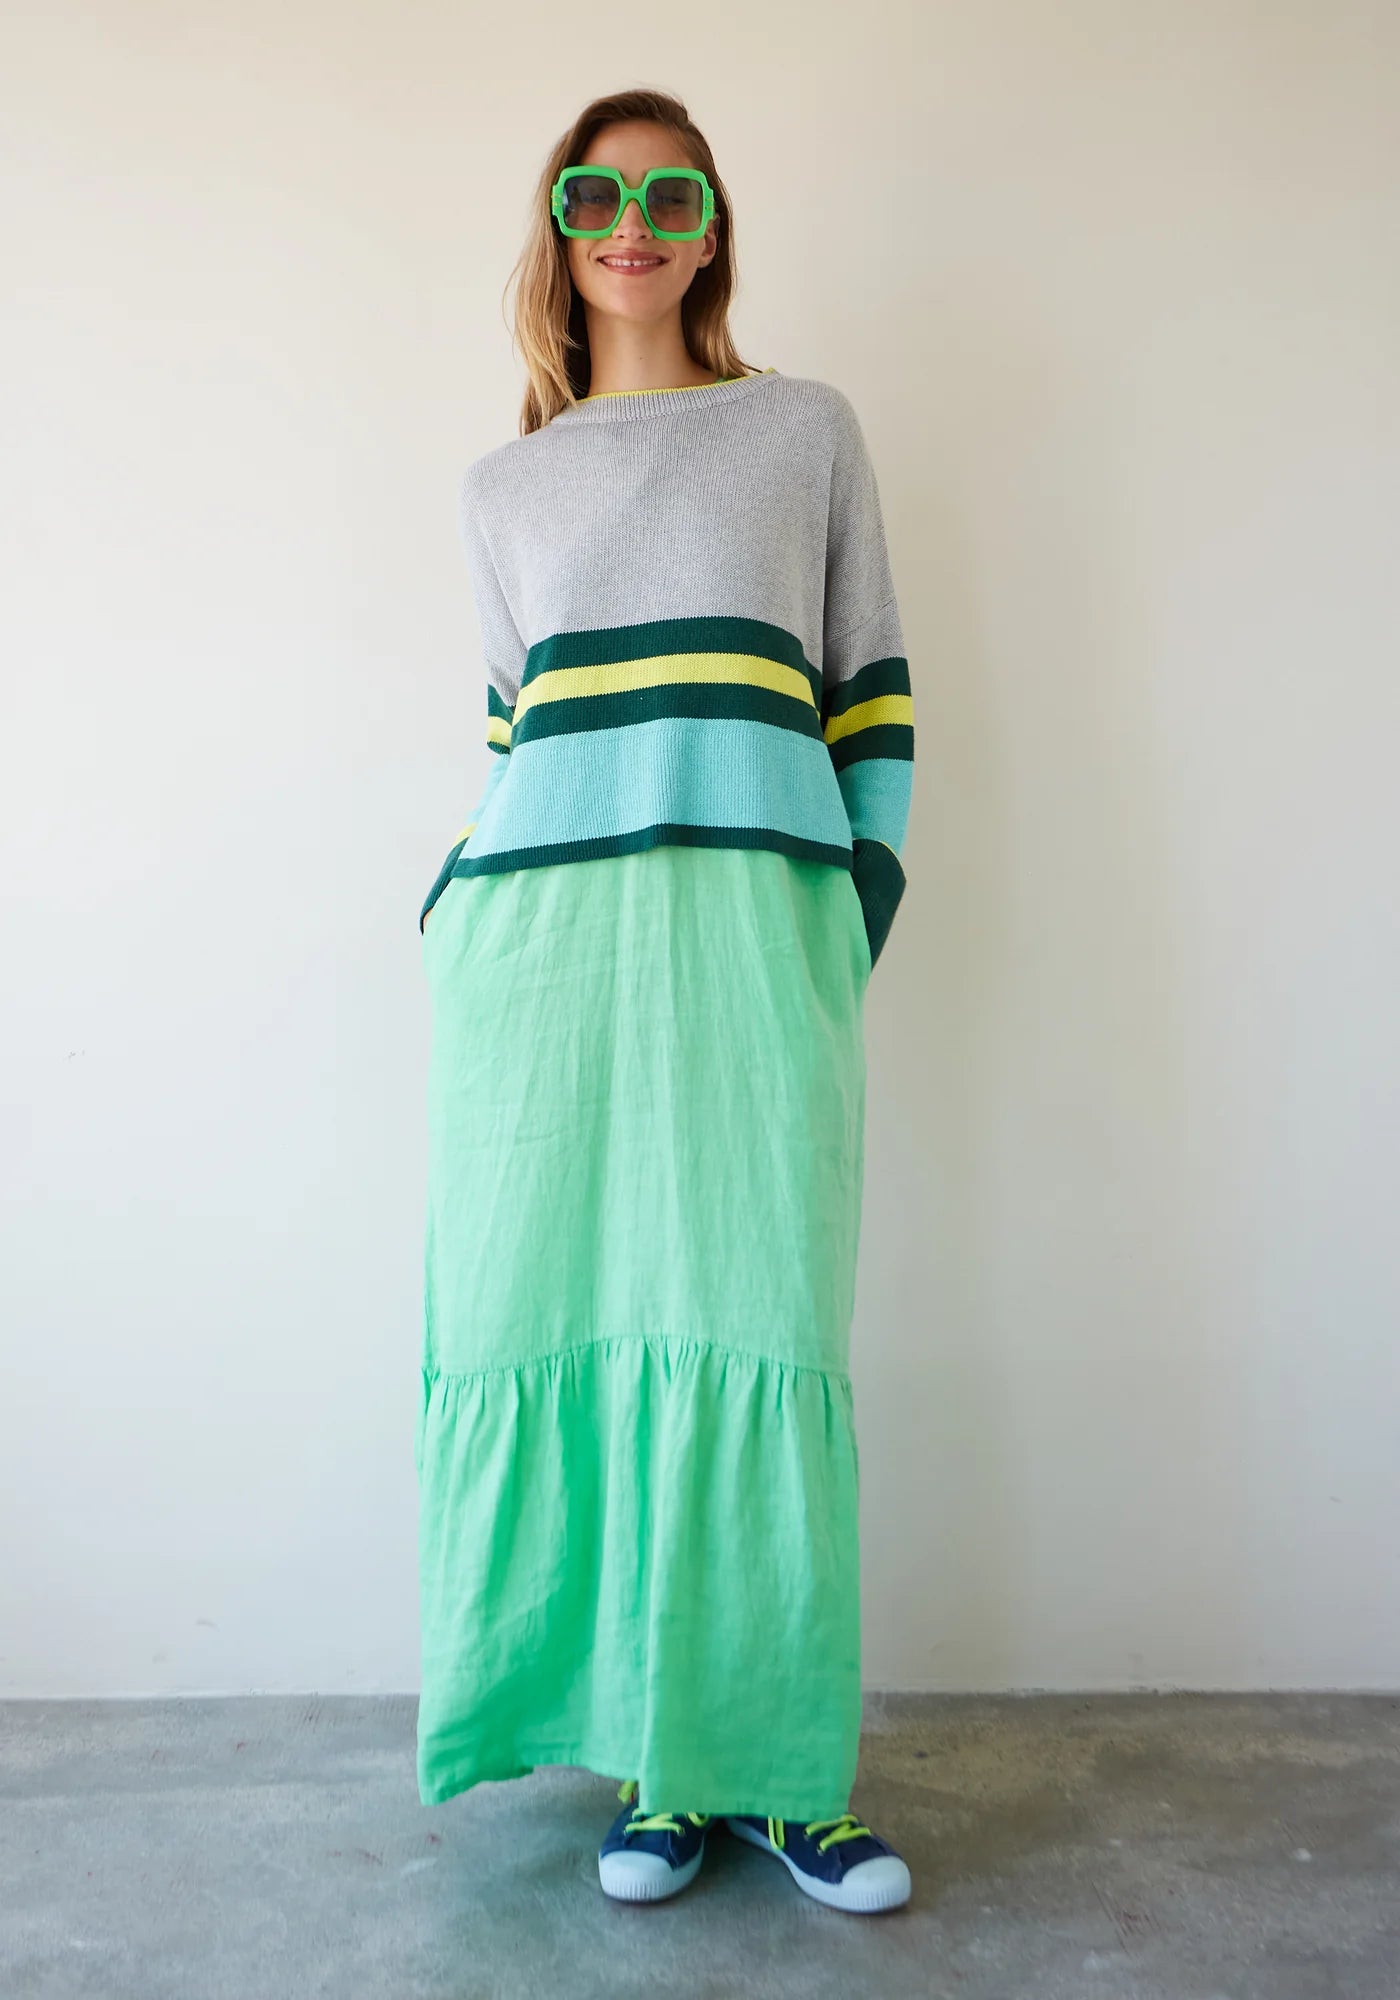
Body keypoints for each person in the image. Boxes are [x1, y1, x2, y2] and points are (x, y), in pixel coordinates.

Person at [415, 87, 915, 1917]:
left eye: (669, 194)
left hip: (754, 932)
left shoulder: (805, 431)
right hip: (545, 957)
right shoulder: (504, 488)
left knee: (758, 1315)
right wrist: (453, 910)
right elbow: (511, 738)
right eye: (596, 192)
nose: (631, 220)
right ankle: (656, 1763)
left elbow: (872, 699)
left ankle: (781, 1777)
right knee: (585, 1314)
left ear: (712, 228)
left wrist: (841, 917)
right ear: (557, 226)